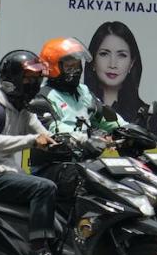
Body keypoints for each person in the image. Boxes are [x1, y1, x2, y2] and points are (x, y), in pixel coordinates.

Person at [0, 50, 74, 255]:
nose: (34, 84)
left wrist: (78, 141)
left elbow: (45, 133)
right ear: (12, 79)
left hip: (5, 173)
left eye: (36, 79)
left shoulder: (21, 106)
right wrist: (32, 141)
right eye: (28, 79)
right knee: (43, 188)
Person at [30, 37, 120, 209]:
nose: (76, 71)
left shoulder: (83, 92)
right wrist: (85, 139)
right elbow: (55, 129)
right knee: (88, 178)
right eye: (70, 67)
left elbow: (105, 116)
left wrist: (128, 129)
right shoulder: (43, 97)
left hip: (81, 163)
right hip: (52, 167)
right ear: (54, 68)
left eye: (78, 66)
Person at [82, 21, 157, 135]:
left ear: (131, 63)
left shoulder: (147, 116)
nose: (113, 64)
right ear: (93, 60)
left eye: (122, 55)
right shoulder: (76, 107)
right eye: (104, 54)